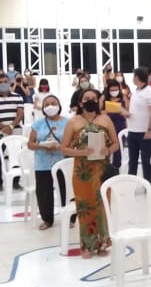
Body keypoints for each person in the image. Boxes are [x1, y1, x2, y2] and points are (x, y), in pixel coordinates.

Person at [60, 88, 118, 258]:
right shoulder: (73, 122)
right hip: (82, 172)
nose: (90, 100)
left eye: (94, 98)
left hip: (102, 170)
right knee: (85, 206)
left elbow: (115, 143)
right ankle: (87, 245)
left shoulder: (105, 119)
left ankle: (102, 243)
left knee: (102, 206)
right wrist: (81, 152)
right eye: (87, 98)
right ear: (80, 102)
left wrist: (108, 150)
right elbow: (64, 148)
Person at [28, 94, 68, 231]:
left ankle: (69, 217)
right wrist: (42, 146)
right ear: (43, 108)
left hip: (62, 161)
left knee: (65, 189)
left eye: (53, 103)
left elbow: (73, 141)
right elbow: (30, 144)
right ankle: (47, 219)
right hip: (42, 163)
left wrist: (60, 146)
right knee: (44, 192)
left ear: (59, 106)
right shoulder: (38, 124)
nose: (50, 106)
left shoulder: (68, 122)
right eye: (47, 104)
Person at [0, 74, 24, 194]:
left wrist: (11, 126)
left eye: (5, 81)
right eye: (0, 82)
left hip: (15, 132)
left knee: (16, 157)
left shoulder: (17, 97)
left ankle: (16, 182)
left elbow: (20, 113)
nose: (3, 84)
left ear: (9, 82)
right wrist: (3, 127)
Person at [125, 67, 151, 185]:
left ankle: (148, 185)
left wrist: (149, 129)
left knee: (145, 161)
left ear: (137, 77)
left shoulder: (149, 92)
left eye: (134, 76)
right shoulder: (136, 91)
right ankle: (131, 185)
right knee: (132, 161)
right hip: (133, 131)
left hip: (145, 132)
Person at [100, 80, 128, 169]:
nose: (114, 92)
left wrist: (122, 110)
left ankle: (116, 168)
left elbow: (128, 111)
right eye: (112, 90)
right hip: (106, 126)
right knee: (105, 148)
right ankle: (105, 168)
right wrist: (105, 111)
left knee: (118, 149)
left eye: (116, 90)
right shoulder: (103, 98)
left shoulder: (123, 98)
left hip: (120, 125)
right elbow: (98, 112)